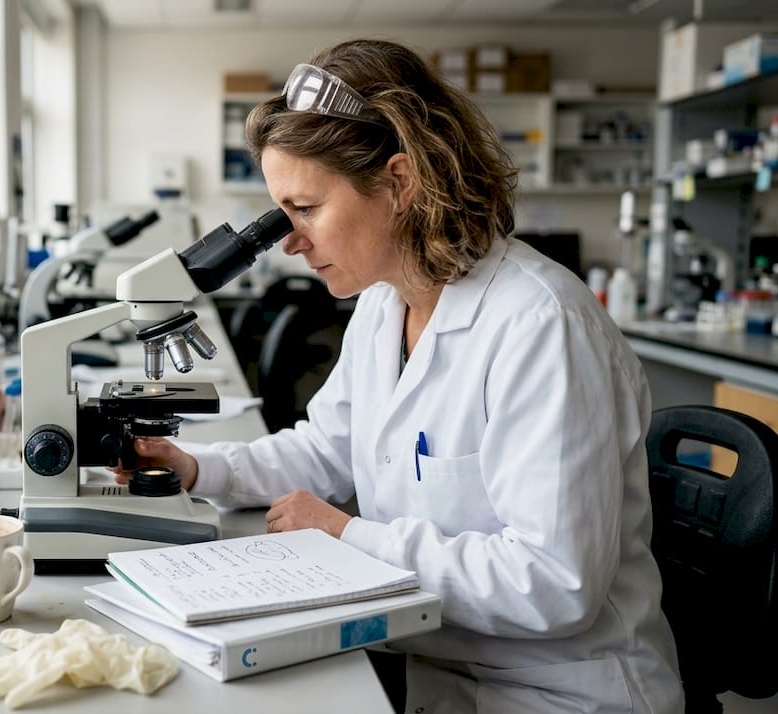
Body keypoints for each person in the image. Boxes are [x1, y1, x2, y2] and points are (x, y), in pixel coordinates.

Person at [115, 39, 685, 713]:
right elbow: (327, 446)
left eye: (305, 208)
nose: (289, 239)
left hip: (556, 691)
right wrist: (195, 468)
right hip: (435, 669)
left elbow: (553, 583)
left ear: (399, 182)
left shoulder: (540, 325)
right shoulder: (385, 304)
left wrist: (349, 535)